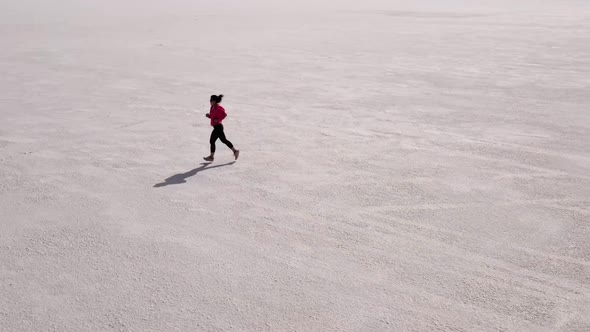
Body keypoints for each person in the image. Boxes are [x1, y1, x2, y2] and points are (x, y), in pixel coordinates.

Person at [203, 94, 239, 162]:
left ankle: (211, 157)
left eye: (211, 100)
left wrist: (218, 119)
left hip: (218, 127)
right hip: (216, 127)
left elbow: (224, 115)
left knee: (212, 141)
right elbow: (213, 116)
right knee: (223, 140)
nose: (210, 102)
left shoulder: (218, 108)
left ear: (215, 101)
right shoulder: (212, 107)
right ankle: (235, 151)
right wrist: (209, 116)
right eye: (210, 100)